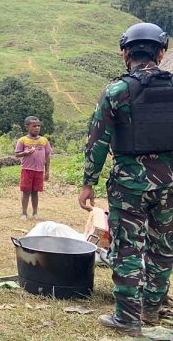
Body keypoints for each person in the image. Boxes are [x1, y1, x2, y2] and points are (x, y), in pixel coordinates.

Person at [79, 22, 173, 337]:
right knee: (164, 245)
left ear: (125, 54)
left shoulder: (117, 91)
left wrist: (88, 181)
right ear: (161, 52)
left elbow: (98, 141)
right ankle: (152, 307)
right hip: (170, 185)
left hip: (129, 185)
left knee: (128, 247)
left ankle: (128, 318)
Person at [14, 116, 52, 221]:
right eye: (34, 126)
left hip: (39, 170)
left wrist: (47, 171)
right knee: (26, 191)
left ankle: (35, 212)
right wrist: (25, 153)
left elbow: (47, 156)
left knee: (35, 192)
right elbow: (17, 154)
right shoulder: (22, 140)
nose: (37, 128)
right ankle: (24, 213)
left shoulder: (44, 141)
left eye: (39, 126)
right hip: (27, 170)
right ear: (27, 127)